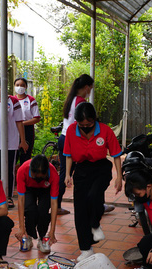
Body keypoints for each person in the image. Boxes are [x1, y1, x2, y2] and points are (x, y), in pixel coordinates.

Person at [64, 102, 123, 262]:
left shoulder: (105, 130)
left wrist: (119, 177)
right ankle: (85, 249)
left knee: (94, 196)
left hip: (101, 168)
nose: (85, 127)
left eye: (89, 124)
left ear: (94, 119)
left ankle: (95, 224)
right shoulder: (71, 130)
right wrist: (67, 174)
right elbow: (68, 154)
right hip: (81, 170)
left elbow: (116, 154)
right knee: (80, 210)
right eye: (82, 125)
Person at [0, 77, 27, 208]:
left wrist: (23, 140)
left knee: (8, 170)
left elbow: (19, 122)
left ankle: (8, 196)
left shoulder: (13, 101)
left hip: (10, 143)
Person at [57, 73, 93, 215]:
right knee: (86, 171)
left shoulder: (71, 99)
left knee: (65, 173)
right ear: (86, 87)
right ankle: (93, 204)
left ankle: (56, 204)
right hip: (72, 141)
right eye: (90, 88)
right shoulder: (81, 102)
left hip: (63, 138)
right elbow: (82, 125)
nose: (90, 91)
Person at [15, 154, 59, 253]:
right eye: (35, 176)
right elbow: (21, 200)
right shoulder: (22, 170)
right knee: (30, 210)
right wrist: (21, 228)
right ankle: (28, 236)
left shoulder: (53, 174)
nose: (38, 178)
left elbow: (54, 203)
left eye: (41, 177)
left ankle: (43, 238)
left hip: (45, 190)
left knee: (43, 211)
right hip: (29, 188)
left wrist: (52, 231)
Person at [13, 77, 41, 165]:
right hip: (14, 130)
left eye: (22, 85)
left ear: (26, 87)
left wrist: (22, 123)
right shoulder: (11, 100)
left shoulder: (31, 100)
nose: (19, 87)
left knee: (25, 156)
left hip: (27, 130)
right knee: (13, 156)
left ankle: (24, 176)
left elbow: (37, 118)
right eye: (17, 85)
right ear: (14, 86)